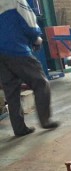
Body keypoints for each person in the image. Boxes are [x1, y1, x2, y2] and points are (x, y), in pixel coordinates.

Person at [0, 0, 59, 137]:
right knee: (41, 82)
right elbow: (29, 22)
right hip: (16, 48)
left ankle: (19, 129)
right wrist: (36, 37)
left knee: (11, 91)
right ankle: (45, 120)